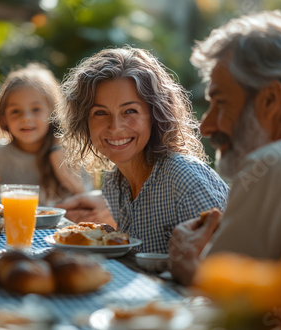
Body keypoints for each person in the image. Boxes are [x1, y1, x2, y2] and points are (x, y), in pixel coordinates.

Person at [169, 10, 281, 286]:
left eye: (220, 102)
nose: (205, 127)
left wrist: (188, 265)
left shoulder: (273, 165)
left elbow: (227, 311)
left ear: (270, 100)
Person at [54, 46, 229, 254]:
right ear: (85, 122)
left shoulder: (184, 179)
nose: (115, 127)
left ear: (155, 114)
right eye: (101, 113)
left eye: (130, 111)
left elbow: (223, 265)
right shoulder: (113, 182)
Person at [0, 63, 87, 206]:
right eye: (15, 111)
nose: (26, 118)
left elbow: (85, 199)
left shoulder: (70, 152)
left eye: (36, 109)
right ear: (4, 117)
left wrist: (57, 158)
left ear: (53, 113)